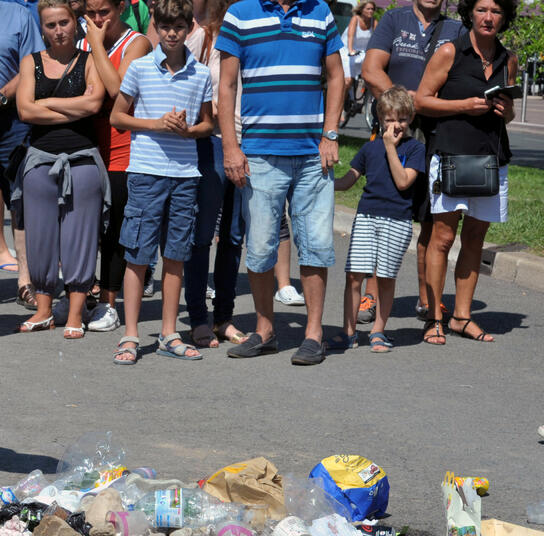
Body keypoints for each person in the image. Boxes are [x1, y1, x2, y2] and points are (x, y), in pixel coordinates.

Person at [217, 0, 343, 365]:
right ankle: (265, 330)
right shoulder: (240, 13)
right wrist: (230, 146)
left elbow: (336, 76)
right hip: (258, 154)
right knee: (258, 249)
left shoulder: (319, 11)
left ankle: (313, 334)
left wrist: (331, 134)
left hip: (312, 155)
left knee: (316, 245)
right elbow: (226, 85)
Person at [110, 0, 214, 363]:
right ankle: (131, 334)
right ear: (156, 25)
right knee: (138, 255)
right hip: (145, 173)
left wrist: (188, 131)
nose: (172, 33)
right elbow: (117, 117)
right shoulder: (139, 68)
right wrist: (156, 124)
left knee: (176, 255)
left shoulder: (201, 74)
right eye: (166, 26)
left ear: (190, 27)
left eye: (179, 27)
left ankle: (170, 333)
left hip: (185, 176)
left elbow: (207, 124)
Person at [414, 0, 517, 345]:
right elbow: (421, 101)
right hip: (450, 154)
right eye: (482, 9)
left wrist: (506, 111)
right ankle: (433, 317)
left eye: (496, 11)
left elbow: (511, 114)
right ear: (470, 13)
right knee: (442, 239)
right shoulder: (449, 51)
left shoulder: (508, 58)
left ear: (505, 17)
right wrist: (463, 106)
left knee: (475, 239)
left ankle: (462, 317)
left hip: (491, 158)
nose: (489, 17)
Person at [363, 0, 463, 319]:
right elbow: (371, 69)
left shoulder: (456, 29)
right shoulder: (394, 19)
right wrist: (406, 104)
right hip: (398, 134)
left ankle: (427, 298)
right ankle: (370, 296)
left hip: (438, 136)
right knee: (387, 213)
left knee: (431, 219)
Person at [14, 0, 106, 338]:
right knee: (40, 238)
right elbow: (25, 110)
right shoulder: (31, 62)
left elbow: (95, 104)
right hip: (40, 161)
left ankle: (75, 313)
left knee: (79, 237)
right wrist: (74, 108)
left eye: (64, 22)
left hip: (82, 159)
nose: (58, 30)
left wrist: (48, 103)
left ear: (75, 23)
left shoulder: (91, 60)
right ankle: (43, 310)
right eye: (51, 25)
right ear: (42, 29)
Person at [331, 86, 425, 353]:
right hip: (366, 217)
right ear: (380, 119)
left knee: (385, 277)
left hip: (397, 220)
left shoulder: (415, 149)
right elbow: (349, 179)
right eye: (390, 120)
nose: (396, 126)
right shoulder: (369, 149)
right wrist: (326, 183)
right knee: (354, 275)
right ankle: (348, 331)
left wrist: (390, 148)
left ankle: (378, 330)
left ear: (410, 120)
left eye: (402, 119)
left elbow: (404, 181)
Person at [79, 0, 151, 333]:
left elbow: (118, 90)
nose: (96, 19)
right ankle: (79, 295)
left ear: (121, 7)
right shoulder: (80, 41)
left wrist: (95, 46)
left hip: (123, 151)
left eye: (103, 12)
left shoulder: (137, 43)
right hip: (85, 147)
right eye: (91, 12)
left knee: (114, 231)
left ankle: (108, 303)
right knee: (81, 228)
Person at [180, 0, 248, 348]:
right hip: (213, 144)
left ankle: (224, 316)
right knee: (202, 234)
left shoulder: (259, 31)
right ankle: (197, 319)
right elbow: (184, 82)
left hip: (252, 143)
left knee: (234, 237)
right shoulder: (204, 36)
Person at [0, 0, 45, 310]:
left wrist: (0, 96)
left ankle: (25, 281)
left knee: (19, 194)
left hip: (10, 115)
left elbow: (32, 63)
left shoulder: (18, 14)